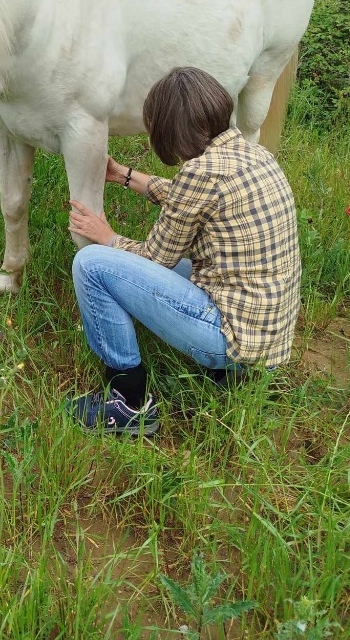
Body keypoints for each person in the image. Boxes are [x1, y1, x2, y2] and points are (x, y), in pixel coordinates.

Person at [67, 66, 301, 437]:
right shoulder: (253, 154)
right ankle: (230, 376)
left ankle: (128, 402)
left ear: (168, 129)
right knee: (182, 267)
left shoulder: (201, 174)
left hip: (231, 340)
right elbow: (187, 198)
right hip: (267, 338)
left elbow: (155, 259)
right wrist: (125, 176)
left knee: (92, 264)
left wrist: (107, 237)